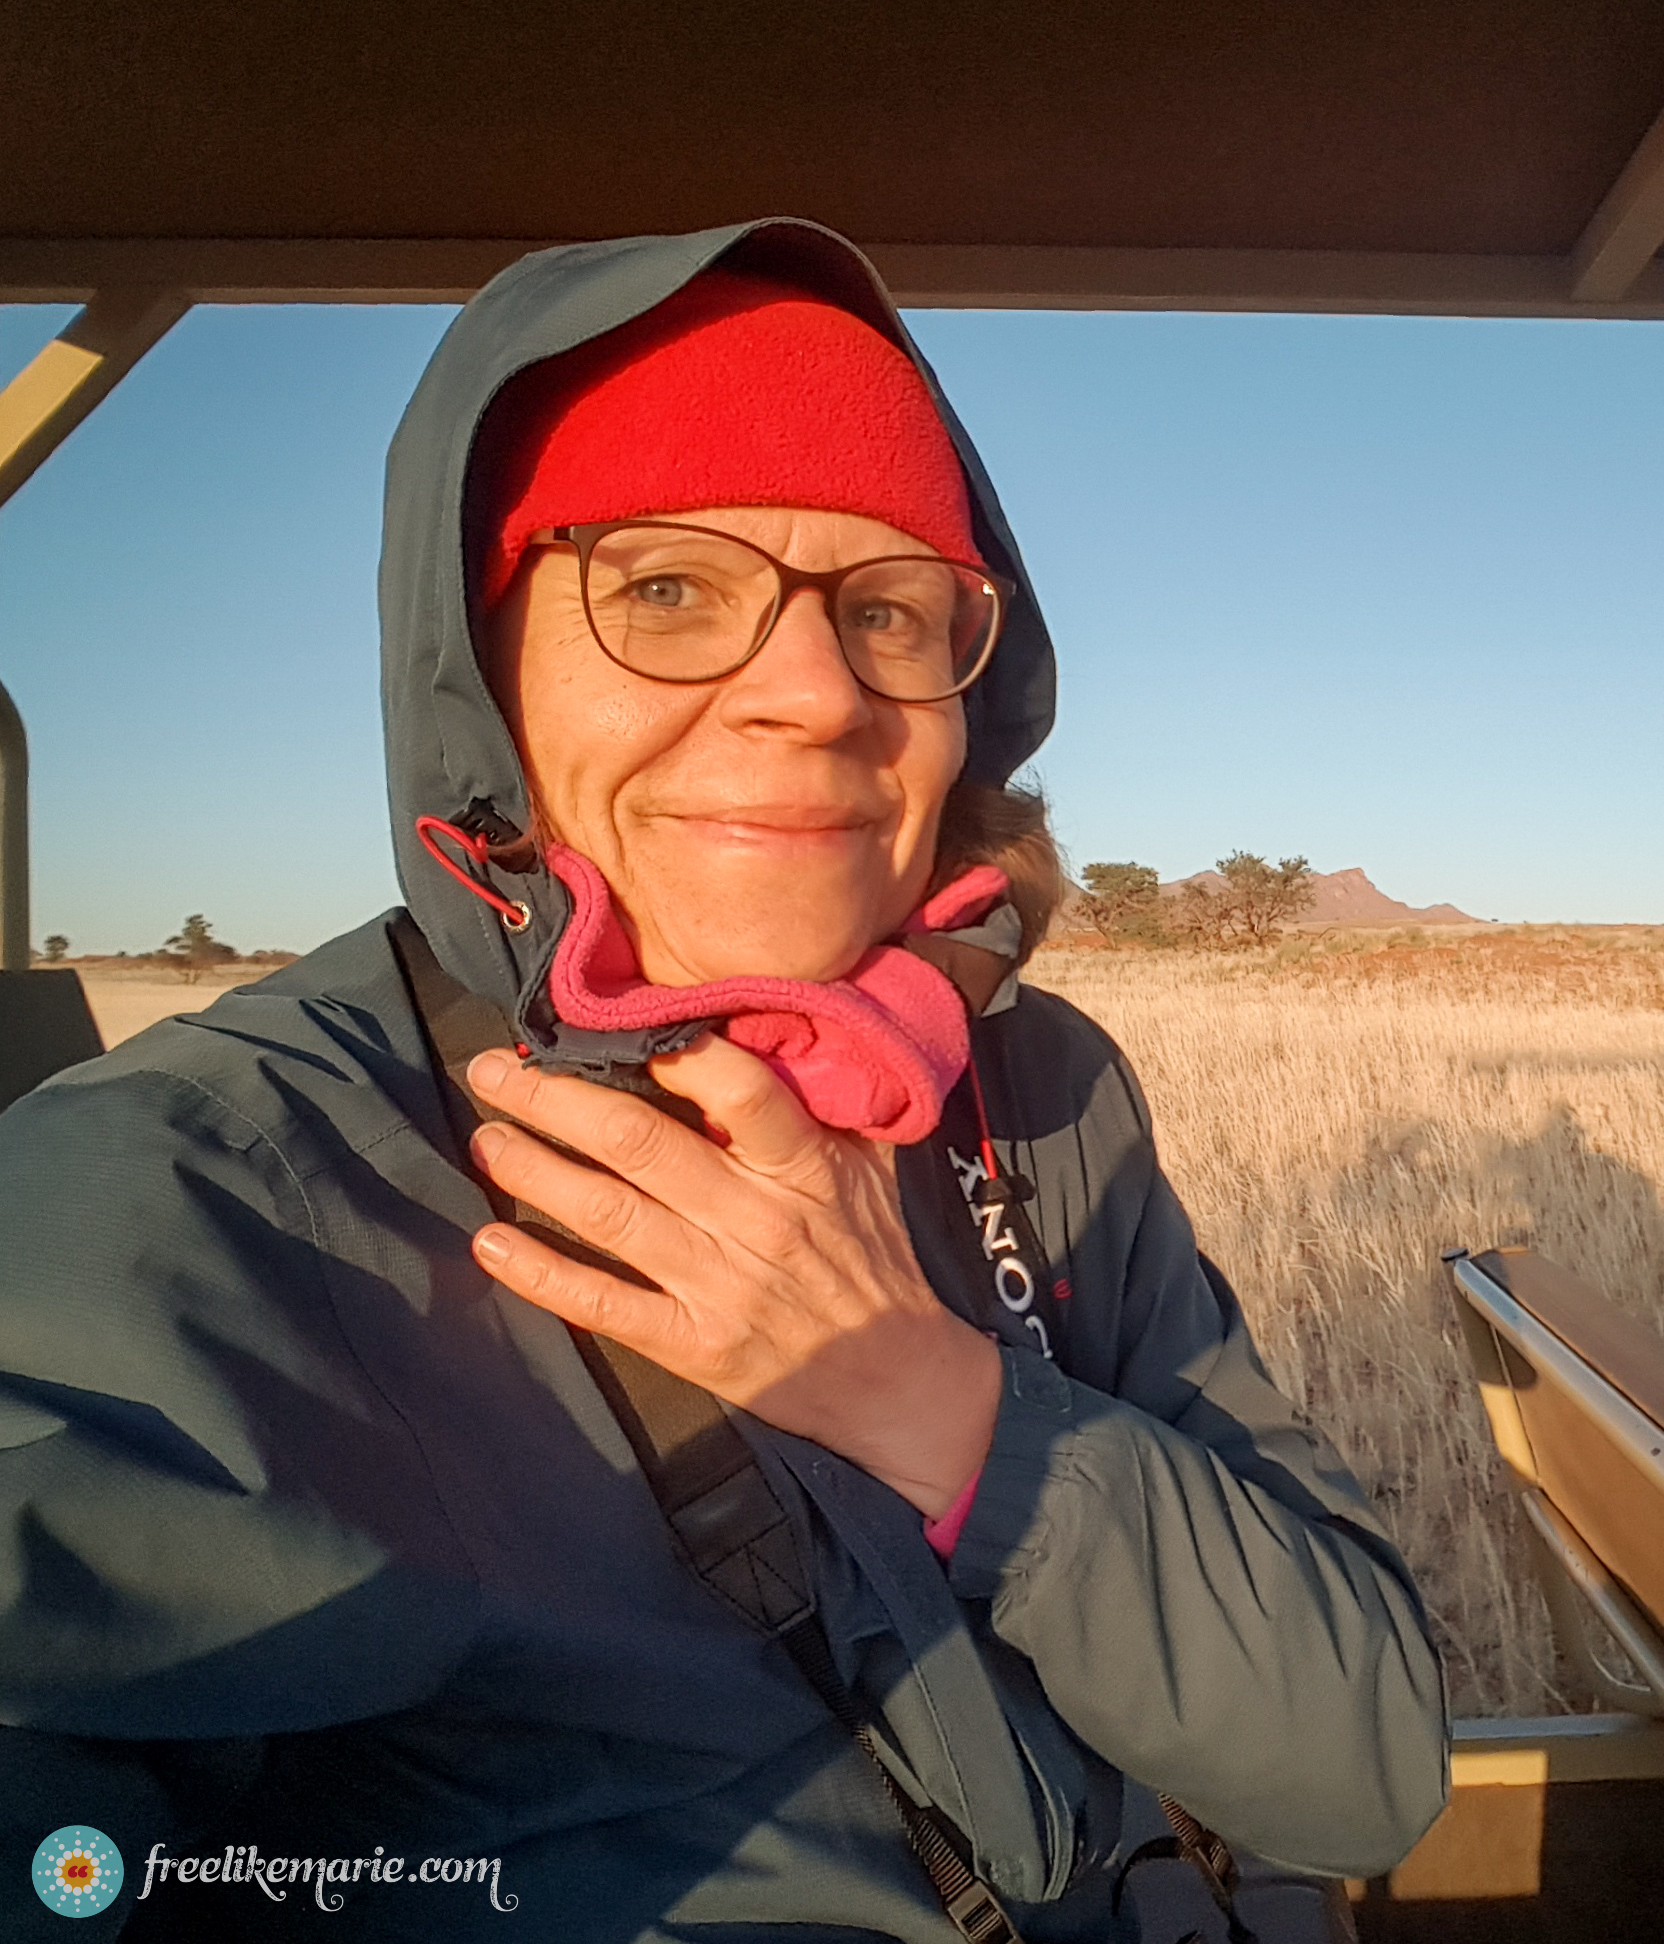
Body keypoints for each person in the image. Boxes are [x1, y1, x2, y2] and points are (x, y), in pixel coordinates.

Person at [0, 220, 1449, 1942]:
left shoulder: (1039, 1093)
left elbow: (1365, 1768)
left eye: (889, 607)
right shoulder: (182, 1195)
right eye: (669, 589)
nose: (815, 694)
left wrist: (945, 1404)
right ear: (479, 668)